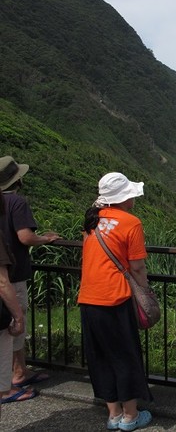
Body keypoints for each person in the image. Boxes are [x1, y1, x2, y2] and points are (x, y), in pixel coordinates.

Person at [78, 172, 152, 431]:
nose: (133, 197)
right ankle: (131, 417)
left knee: (101, 357)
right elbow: (138, 267)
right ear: (123, 198)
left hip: (88, 297)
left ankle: (114, 415)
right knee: (124, 355)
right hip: (115, 298)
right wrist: (144, 293)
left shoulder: (91, 220)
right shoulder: (131, 223)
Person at [0, 156, 59, 402]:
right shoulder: (17, 202)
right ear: (18, 179)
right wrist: (45, 238)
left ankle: (21, 370)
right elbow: (24, 236)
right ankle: (13, 379)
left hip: (6, 275)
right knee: (14, 326)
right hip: (11, 276)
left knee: (9, 329)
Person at [0, 192, 29, 416]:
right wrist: (17, 317)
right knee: (10, 334)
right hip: (14, 280)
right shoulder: (17, 202)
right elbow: (2, 281)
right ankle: (13, 379)